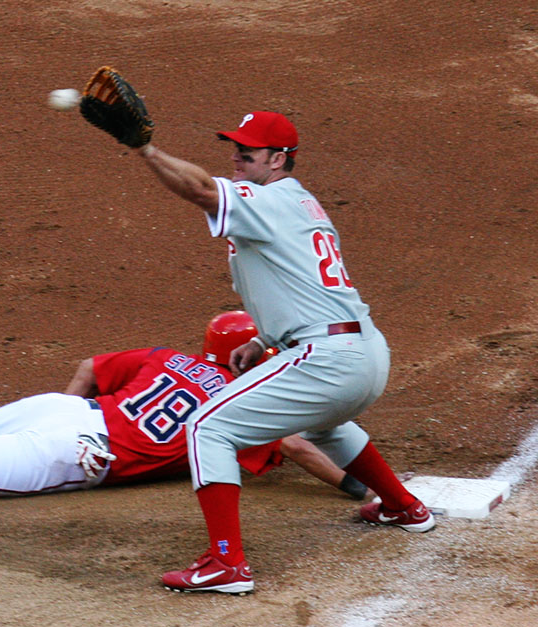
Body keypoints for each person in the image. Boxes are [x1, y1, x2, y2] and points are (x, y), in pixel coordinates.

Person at [124, 111, 434, 596]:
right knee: (322, 423)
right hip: (363, 352)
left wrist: (146, 151)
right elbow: (299, 284)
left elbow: (203, 191)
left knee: (208, 427)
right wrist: (264, 340)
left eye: (247, 151)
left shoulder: (268, 200)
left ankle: (226, 565)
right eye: (235, 147)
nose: (236, 156)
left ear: (279, 158)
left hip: (330, 357)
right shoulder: (296, 204)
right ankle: (402, 506)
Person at [0, 311, 368, 503]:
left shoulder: (167, 357)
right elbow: (293, 444)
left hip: (68, 414)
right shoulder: (245, 401)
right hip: (84, 449)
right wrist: (355, 487)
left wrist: (63, 416)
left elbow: (93, 369)